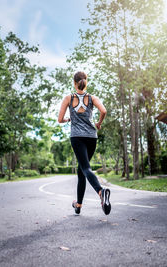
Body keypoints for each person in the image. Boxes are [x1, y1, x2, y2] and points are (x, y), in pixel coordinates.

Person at [57, 71, 111, 215]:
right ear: (86, 81)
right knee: (82, 171)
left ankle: (101, 191)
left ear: (74, 83)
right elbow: (103, 111)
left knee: (86, 168)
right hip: (91, 137)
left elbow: (59, 119)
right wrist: (99, 123)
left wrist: (69, 120)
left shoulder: (69, 98)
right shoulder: (92, 98)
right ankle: (78, 205)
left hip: (77, 137)